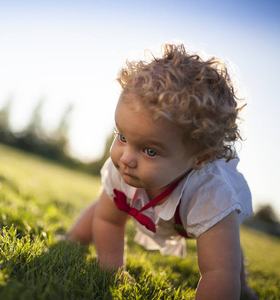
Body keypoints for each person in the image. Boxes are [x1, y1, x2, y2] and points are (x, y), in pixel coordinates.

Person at [67, 44, 258, 299]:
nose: (126, 158)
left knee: (226, 258)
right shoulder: (124, 166)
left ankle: (245, 290)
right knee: (111, 202)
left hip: (195, 215)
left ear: (201, 157)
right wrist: (111, 273)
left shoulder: (210, 196)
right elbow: (107, 220)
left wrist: (229, 281)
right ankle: (71, 240)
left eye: (151, 151)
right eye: (122, 136)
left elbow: (218, 272)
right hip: (137, 204)